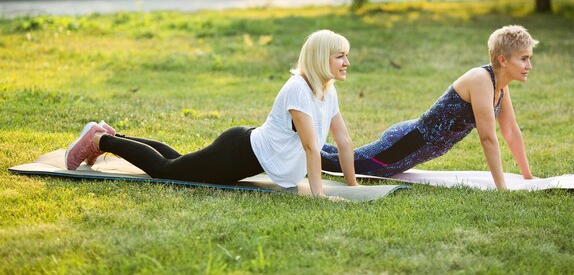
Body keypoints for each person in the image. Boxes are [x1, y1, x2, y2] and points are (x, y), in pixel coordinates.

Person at [65, 30, 358, 198]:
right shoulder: (298, 88)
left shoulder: (327, 91)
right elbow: (310, 146)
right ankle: (102, 141)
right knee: (167, 172)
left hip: (244, 147)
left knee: (177, 162)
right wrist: (318, 195)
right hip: (239, 151)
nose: (347, 62)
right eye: (340, 56)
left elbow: (343, 141)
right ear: (321, 59)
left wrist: (352, 186)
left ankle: (111, 136)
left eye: (346, 55)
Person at [321, 25, 537, 190]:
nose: (529, 66)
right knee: (340, 165)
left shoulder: (499, 86)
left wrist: (527, 175)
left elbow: (510, 131)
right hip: (406, 143)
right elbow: (488, 138)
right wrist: (502, 188)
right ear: (503, 60)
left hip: (414, 149)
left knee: (348, 158)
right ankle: (302, 143)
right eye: (524, 59)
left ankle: (311, 143)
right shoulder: (481, 79)